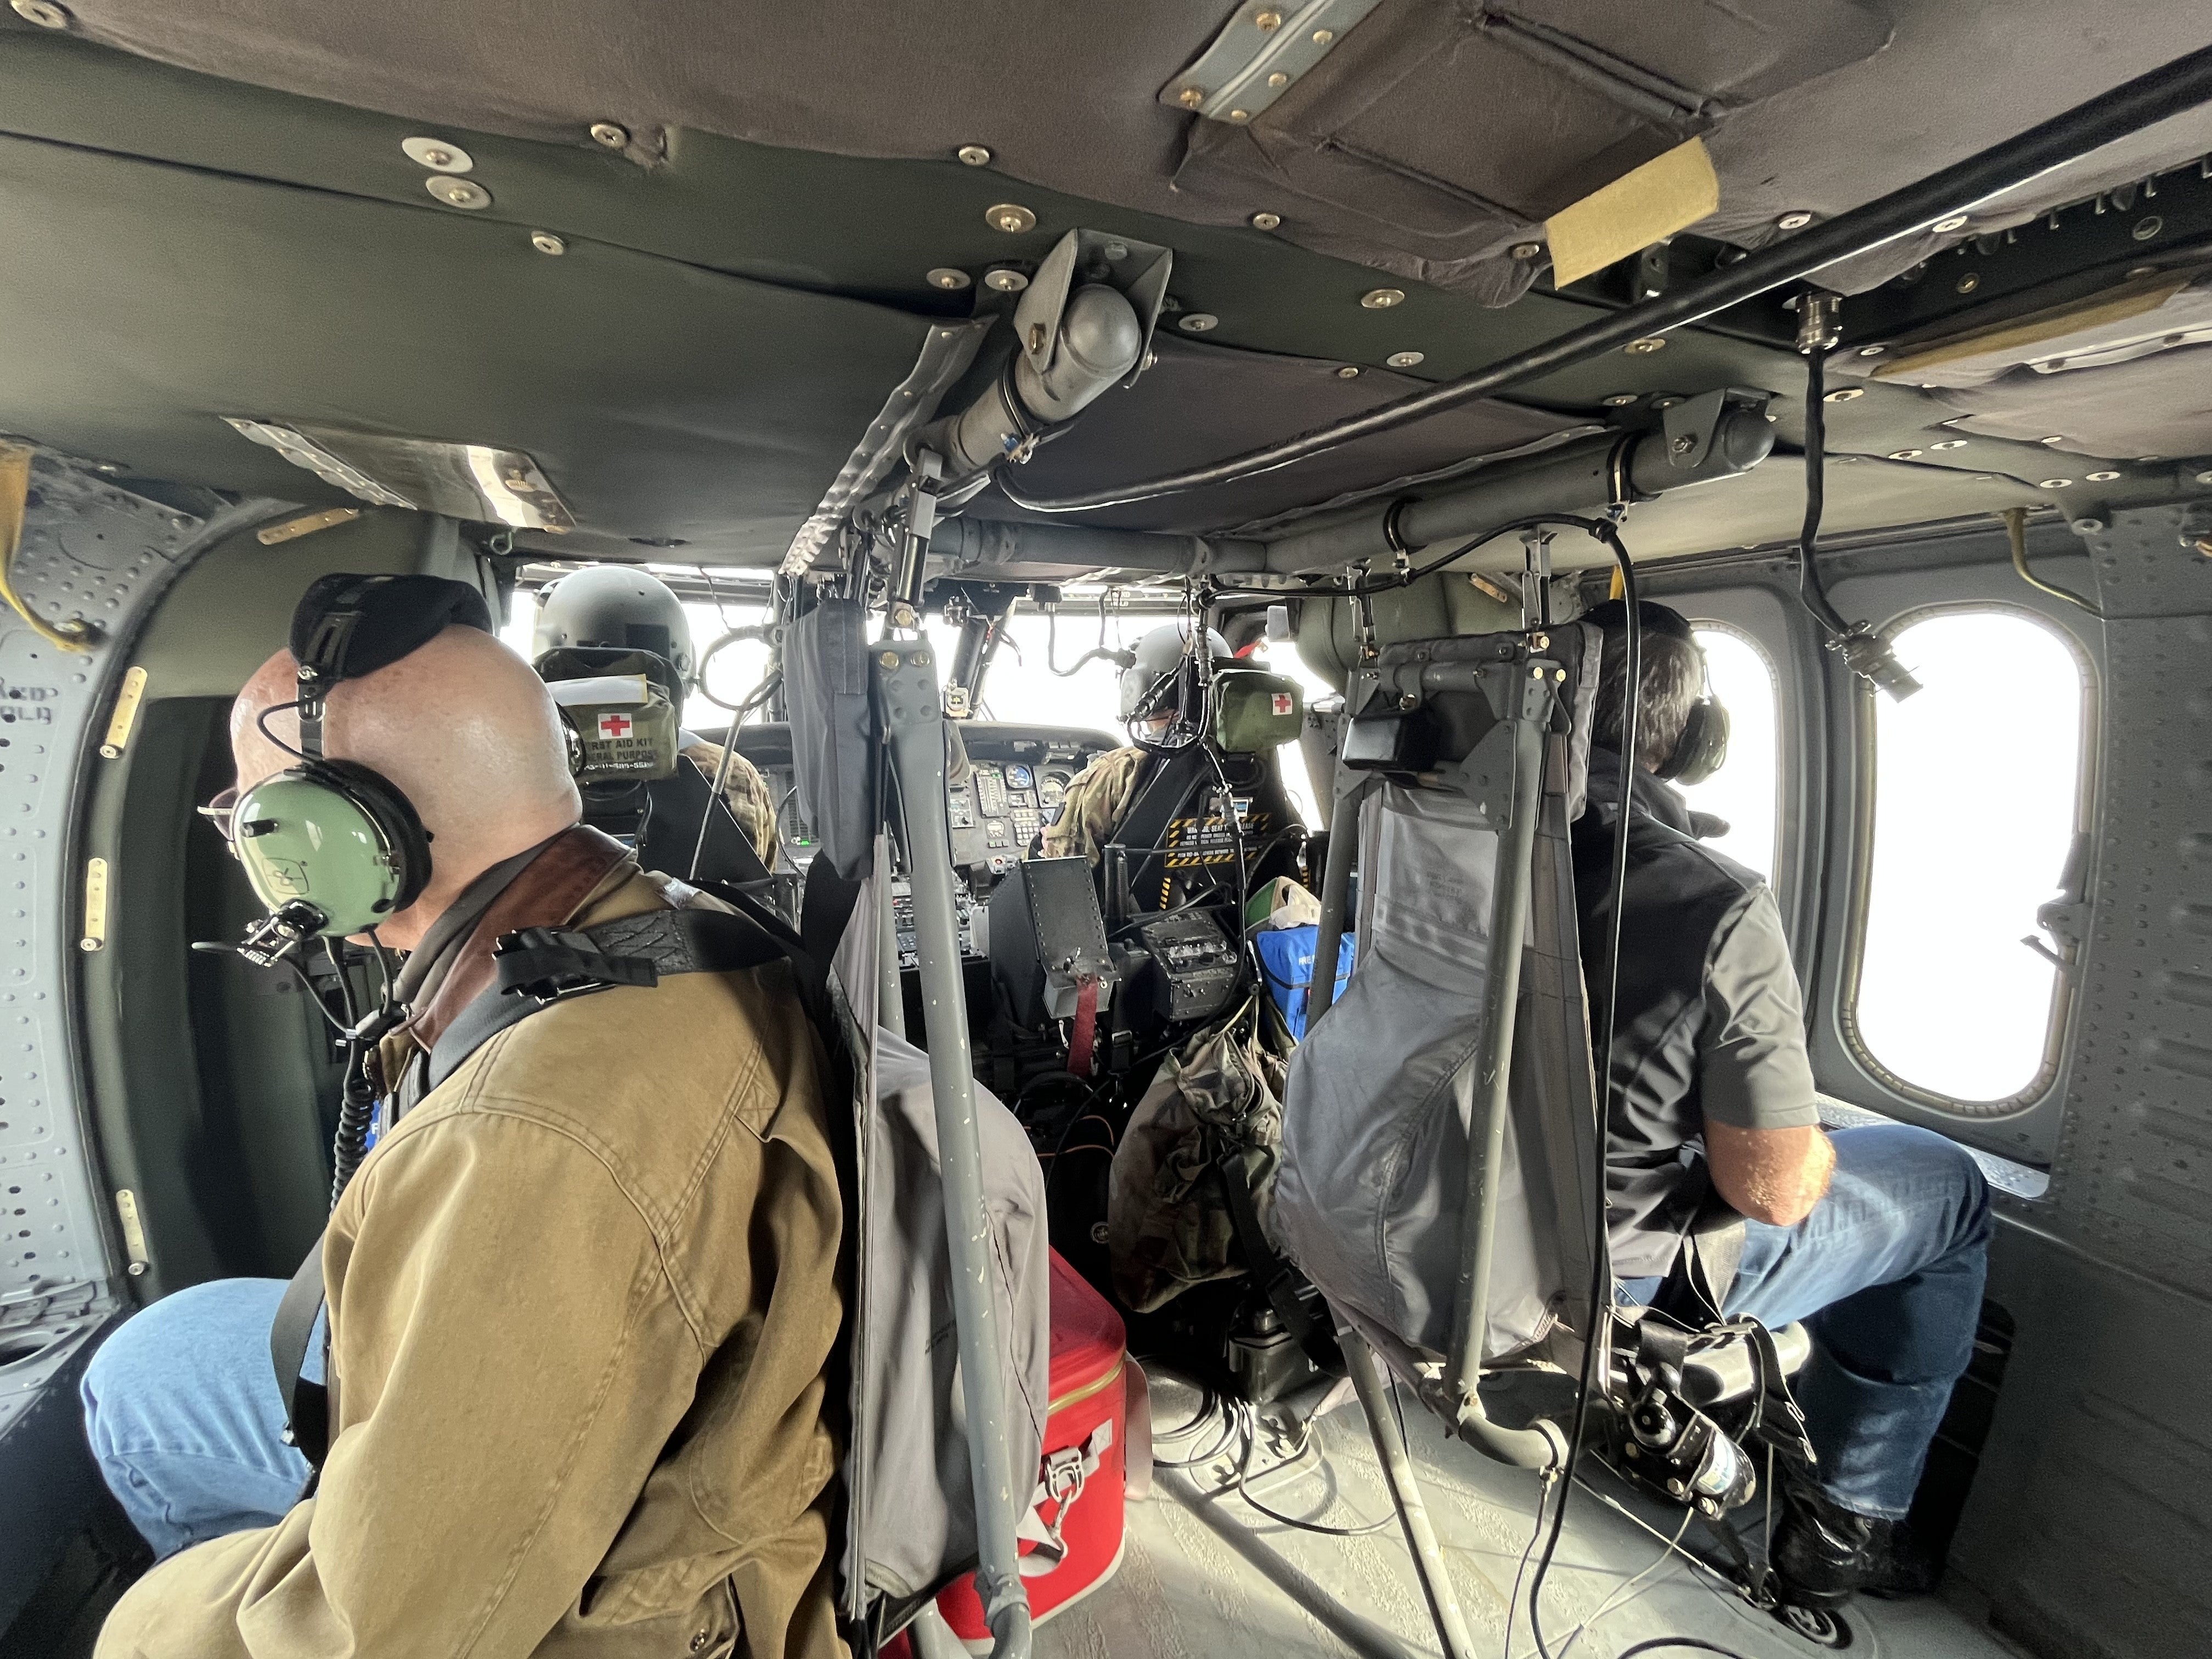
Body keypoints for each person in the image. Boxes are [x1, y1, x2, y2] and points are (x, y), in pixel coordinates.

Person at [82, 607, 845, 1657]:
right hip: (662, 1413)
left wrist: (153, 1621)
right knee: (153, 1357)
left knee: (139, 1506)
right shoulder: (654, 912)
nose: (249, 841)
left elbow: (388, 1631)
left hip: (636, 1600)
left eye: (251, 812)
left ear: (341, 834)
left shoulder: (535, 1134)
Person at [1573, 598, 1990, 1609]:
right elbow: (1771, 1192)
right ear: (1689, 738)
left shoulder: (1446, 842)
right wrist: (1802, 1142)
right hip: (1616, 1272)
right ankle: (1848, 1520)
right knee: (1952, 1184)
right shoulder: (1716, 899)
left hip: (1442, 1212)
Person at [1039, 620, 1229, 866]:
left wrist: (1046, 845)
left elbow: (1064, 872)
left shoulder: (1115, 772)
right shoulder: (1258, 764)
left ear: (1140, 686)